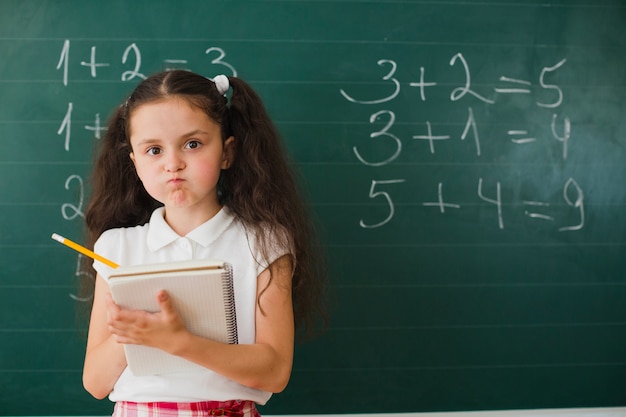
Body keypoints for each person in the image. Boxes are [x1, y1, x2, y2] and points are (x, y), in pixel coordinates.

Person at [80, 69, 326, 417]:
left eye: (192, 144)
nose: (173, 164)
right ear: (134, 163)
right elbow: (96, 382)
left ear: (227, 152)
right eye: (153, 150)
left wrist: (181, 342)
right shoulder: (116, 248)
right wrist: (138, 329)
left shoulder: (264, 242)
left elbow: (274, 372)